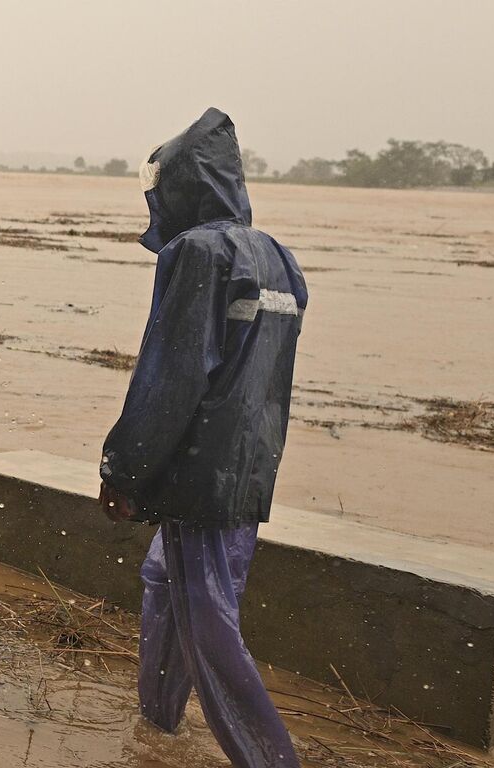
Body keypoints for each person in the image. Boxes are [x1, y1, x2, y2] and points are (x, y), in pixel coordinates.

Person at [98, 108, 307, 768]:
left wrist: (123, 469)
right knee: (165, 580)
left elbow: (173, 374)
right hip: (250, 467)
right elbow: (263, 377)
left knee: (208, 622)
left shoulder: (195, 253)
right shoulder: (279, 257)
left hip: (199, 473)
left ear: (182, 187)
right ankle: (157, 729)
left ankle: (271, 760)